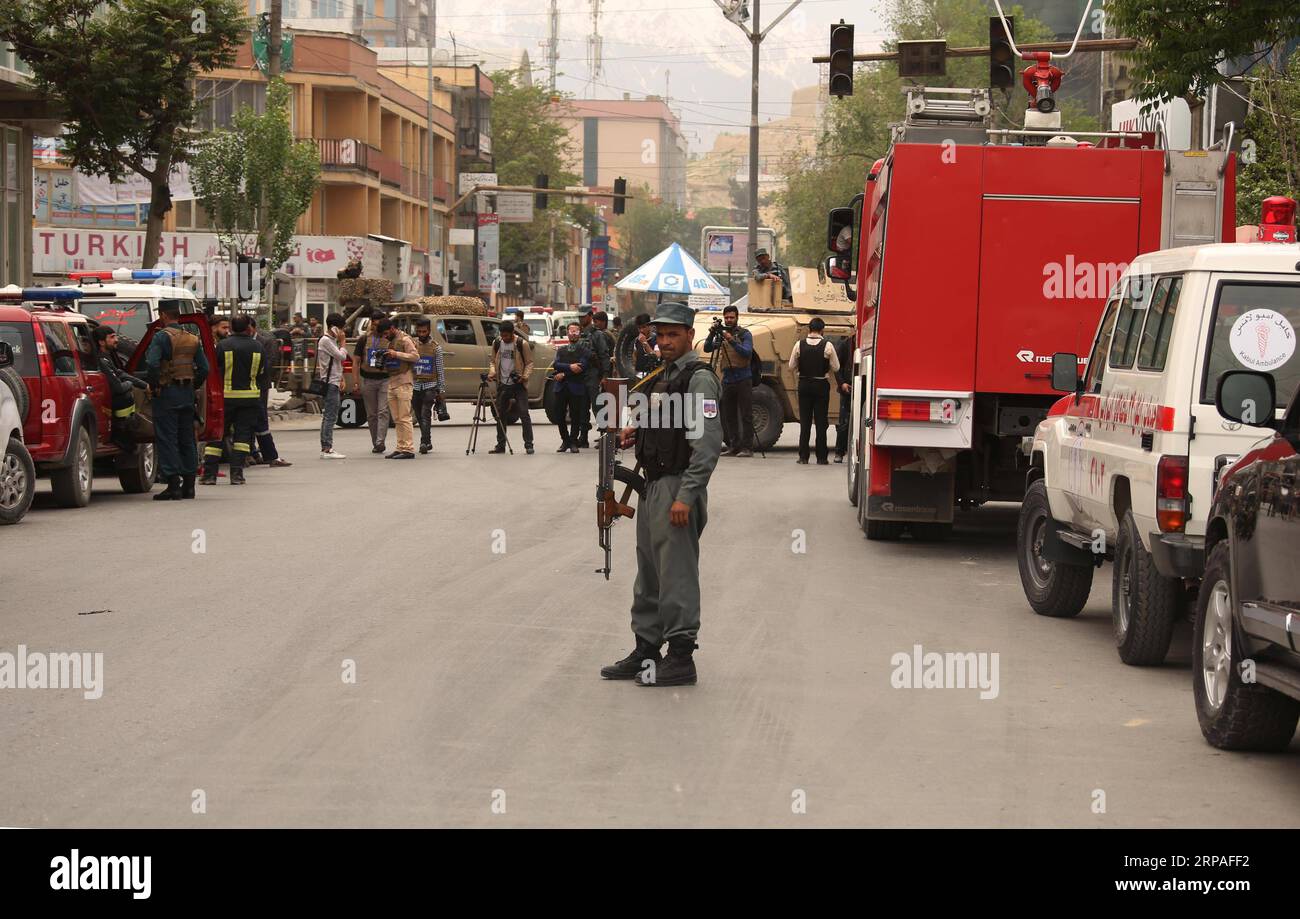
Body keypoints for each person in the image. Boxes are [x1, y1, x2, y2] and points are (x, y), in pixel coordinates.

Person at [600, 301, 721, 687]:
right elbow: (664, 421)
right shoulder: (663, 376)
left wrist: (686, 496)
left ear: (690, 335)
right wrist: (637, 432)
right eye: (660, 335)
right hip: (651, 486)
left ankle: (681, 658)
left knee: (676, 575)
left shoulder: (699, 379)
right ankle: (647, 650)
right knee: (649, 574)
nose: (665, 341)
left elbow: (706, 444)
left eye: (673, 334)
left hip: (677, 487)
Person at [143, 303, 209, 500]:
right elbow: (204, 369)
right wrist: (193, 385)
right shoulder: (193, 338)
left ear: (163, 315)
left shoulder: (161, 336)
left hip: (167, 394)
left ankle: (173, 485)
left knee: (167, 438)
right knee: (187, 438)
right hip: (186, 394)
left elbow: (152, 364)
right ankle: (189, 486)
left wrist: (154, 385)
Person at [201, 315, 266, 485]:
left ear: (231, 328)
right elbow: (262, 373)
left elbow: (214, 370)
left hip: (225, 398)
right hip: (250, 399)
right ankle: (237, 475)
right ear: (248, 328)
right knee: (243, 438)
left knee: (217, 436)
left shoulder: (223, 345)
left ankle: (209, 475)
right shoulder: (258, 346)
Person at [702, 305, 755, 457]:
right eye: (727, 317)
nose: (729, 320)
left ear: (737, 317)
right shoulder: (721, 334)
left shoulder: (745, 334)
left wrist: (731, 340)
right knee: (728, 414)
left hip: (743, 377)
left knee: (746, 414)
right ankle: (734, 446)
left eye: (732, 317)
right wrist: (712, 334)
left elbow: (746, 352)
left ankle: (747, 447)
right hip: (728, 379)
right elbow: (707, 348)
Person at [788, 317, 840, 465]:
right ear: (822, 329)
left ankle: (803, 457)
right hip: (821, 385)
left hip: (804, 383)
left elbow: (791, 366)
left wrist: (800, 369)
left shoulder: (799, 345)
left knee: (805, 422)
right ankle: (821, 457)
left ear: (809, 329)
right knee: (821, 421)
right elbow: (836, 367)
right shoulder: (827, 345)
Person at [93, 326, 149, 454]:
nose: (117, 340)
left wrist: (144, 385)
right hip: (109, 407)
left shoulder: (107, 357)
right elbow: (118, 387)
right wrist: (130, 384)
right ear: (101, 342)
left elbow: (120, 373)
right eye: (112, 337)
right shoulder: (102, 360)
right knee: (125, 396)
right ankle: (120, 432)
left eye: (116, 336)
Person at [249, 317, 292, 469]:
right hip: (241, 390)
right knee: (248, 423)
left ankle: (261, 455)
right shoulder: (230, 343)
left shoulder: (266, 341)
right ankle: (252, 454)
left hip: (260, 386)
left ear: (253, 328)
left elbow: (270, 363)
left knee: (260, 420)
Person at [487, 319, 535, 454]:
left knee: (524, 413)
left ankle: (529, 444)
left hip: (518, 383)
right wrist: (492, 372)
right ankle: (500, 445)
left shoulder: (521, 343)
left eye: (507, 336)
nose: (504, 338)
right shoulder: (497, 343)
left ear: (512, 333)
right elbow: (492, 361)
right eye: (502, 335)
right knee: (500, 414)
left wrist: (524, 376)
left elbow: (530, 363)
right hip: (503, 383)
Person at [374, 317, 419, 459]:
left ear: (392, 328)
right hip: (392, 381)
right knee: (397, 418)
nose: (385, 336)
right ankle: (400, 447)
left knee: (405, 417)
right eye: (384, 335)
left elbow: (415, 356)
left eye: (387, 333)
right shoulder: (391, 342)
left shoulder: (405, 340)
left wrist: (396, 354)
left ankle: (408, 449)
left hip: (404, 381)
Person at [353, 310, 392, 454]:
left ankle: (380, 441)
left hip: (385, 379)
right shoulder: (364, 339)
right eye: (374, 324)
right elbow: (356, 361)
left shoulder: (390, 338)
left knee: (383, 411)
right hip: (368, 379)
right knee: (371, 414)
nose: (376, 328)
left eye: (379, 325)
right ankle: (375, 441)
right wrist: (356, 382)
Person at [551, 322, 591, 453]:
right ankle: (565, 440)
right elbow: (556, 364)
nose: (573, 334)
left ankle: (573, 441)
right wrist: (569, 368)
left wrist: (563, 373)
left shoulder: (584, 350)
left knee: (576, 416)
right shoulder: (561, 350)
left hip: (577, 387)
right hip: (561, 387)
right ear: (567, 333)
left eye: (576, 331)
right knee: (559, 415)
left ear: (580, 333)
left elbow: (582, 367)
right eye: (571, 331)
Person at [410, 317, 446, 454]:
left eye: (424, 331)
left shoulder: (436, 348)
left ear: (429, 330)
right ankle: (428, 440)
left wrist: (441, 390)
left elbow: (440, 370)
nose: (421, 334)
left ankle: (424, 442)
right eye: (419, 331)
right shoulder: (413, 346)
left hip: (430, 386)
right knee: (419, 416)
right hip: (415, 386)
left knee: (425, 414)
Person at [578, 306, 613, 447]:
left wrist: (605, 375)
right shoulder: (579, 333)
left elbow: (604, 356)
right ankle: (583, 437)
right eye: (579, 316)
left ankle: (604, 436)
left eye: (584, 316)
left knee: (598, 406)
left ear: (590, 316)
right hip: (581, 375)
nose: (581, 319)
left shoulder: (598, 334)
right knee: (582, 407)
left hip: (594, 374)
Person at [317, 312, 349, 460]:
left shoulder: (330, 340)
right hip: (330, 383)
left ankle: (326, 446)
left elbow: (335, 363)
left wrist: (341, 377)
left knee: (329, 415)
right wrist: (343, 342)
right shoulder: (326, 341)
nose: (343, 332)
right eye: (341, 329)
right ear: (335, 328)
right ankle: (327, 448)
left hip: (334, 381)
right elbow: (341, 356)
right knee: (330, 416)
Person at [834, 333, 854, 463]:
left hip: (862, 388)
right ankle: (839, 452)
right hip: (847, 388)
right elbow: (837, 367)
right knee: (844, 422)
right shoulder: (846, 344)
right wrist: (842, 383)